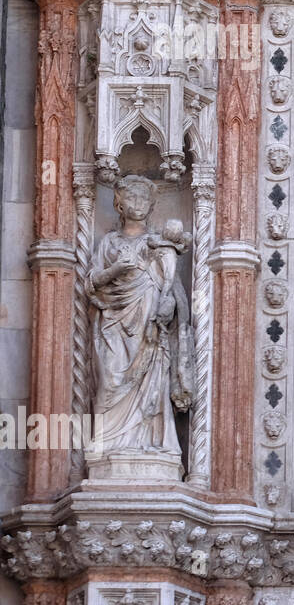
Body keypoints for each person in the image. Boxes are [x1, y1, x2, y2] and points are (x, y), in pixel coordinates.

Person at [88, 176, 194, 474]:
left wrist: (168, 306)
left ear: (152, 205)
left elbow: (173, 290)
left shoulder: (157, 244)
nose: (137, 205)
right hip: (114, 322)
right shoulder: (109, 243)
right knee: (110, 378)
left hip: (150, 325)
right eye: (131, 199)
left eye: (143, 200)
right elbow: (91, 283)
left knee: (152, 381)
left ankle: (153, 444)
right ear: (118, 204)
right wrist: (116, 270)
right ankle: (105, 449)